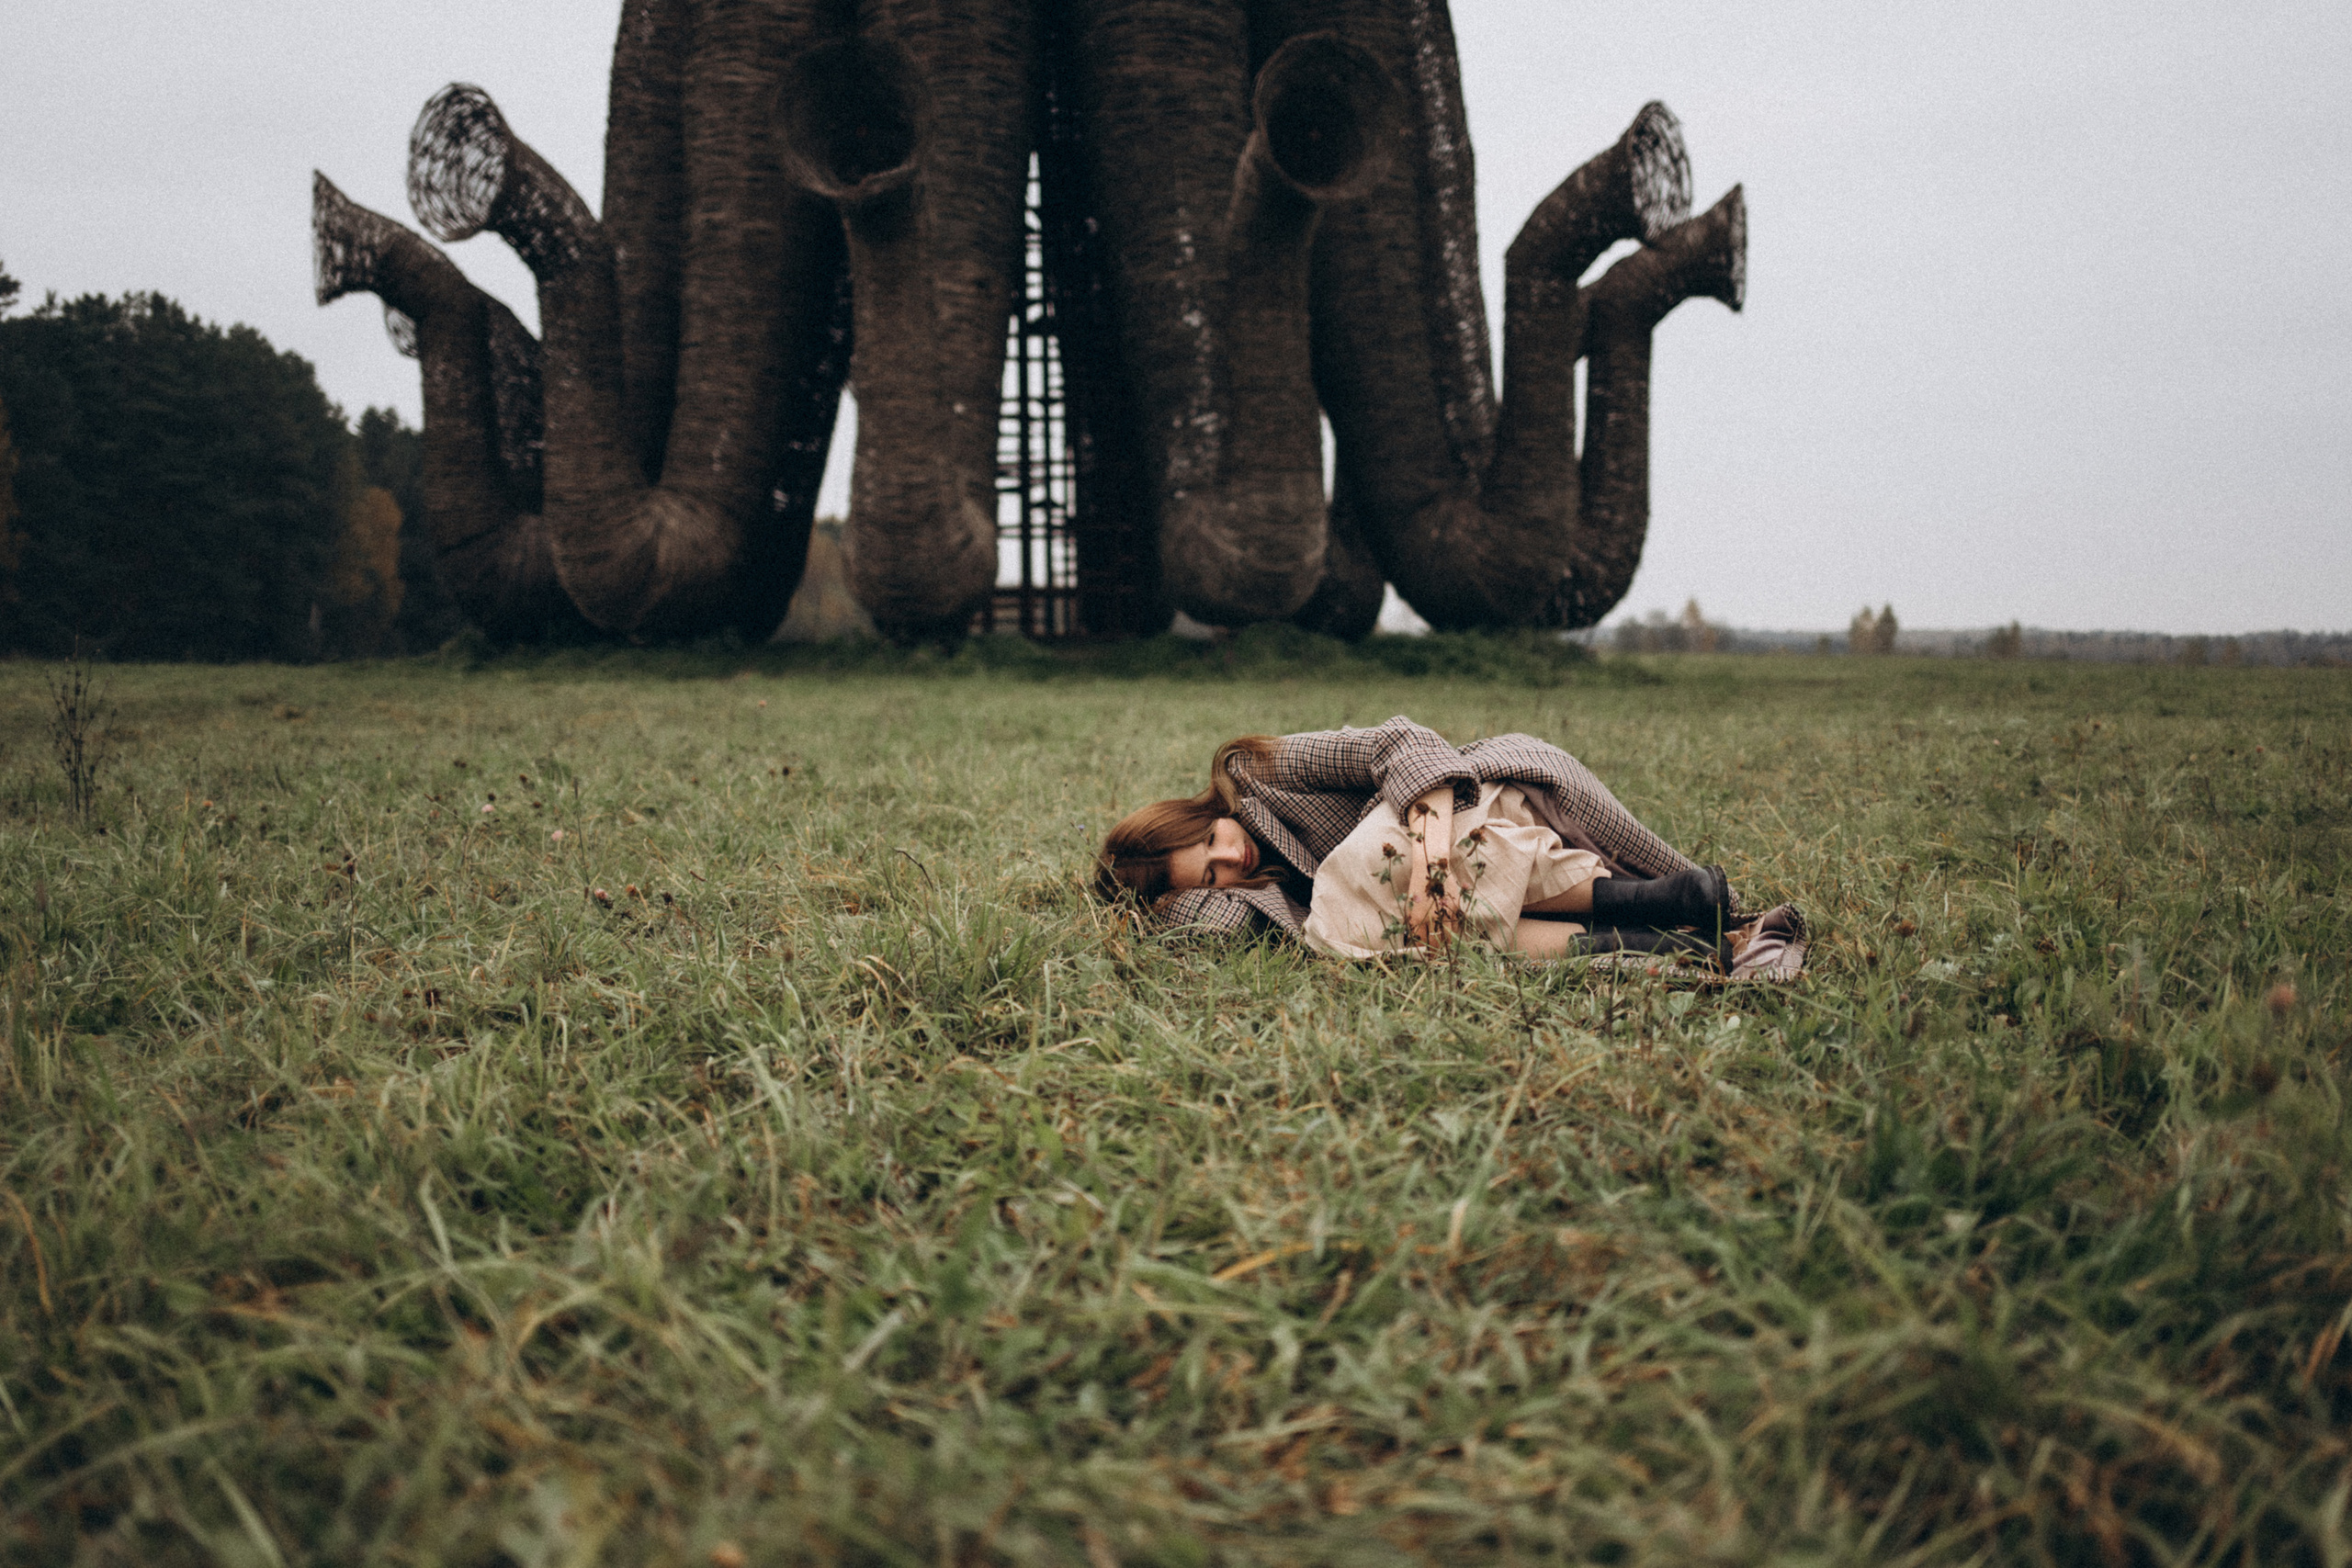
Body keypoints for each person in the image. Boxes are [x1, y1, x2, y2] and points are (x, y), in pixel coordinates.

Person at [1093, 716, 1805, 977]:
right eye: (1211, 878)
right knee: (1352, 926)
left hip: (1475, 799)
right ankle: (1664, 934)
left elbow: (1403, 742)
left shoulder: (1259, 772)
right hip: (1450, 889)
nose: (1231, 863)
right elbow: (1207, 927)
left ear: (1200, 813)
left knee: (1374, 874)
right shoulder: (1256, 896)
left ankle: (1658, 908)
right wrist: (1139, 908)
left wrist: (1428, 863)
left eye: (1213, 843)